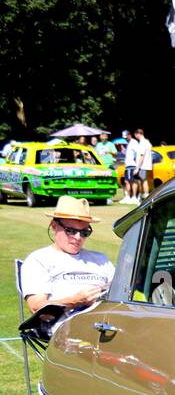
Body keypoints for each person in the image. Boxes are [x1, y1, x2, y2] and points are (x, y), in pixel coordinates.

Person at [20, 196, 114, 325]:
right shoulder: (38, 260)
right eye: (70, 231)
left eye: (84, 232)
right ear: (54, 226)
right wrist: (75, 300)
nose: (78, 238)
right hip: (66, 331)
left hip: (107, 325)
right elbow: (36, 307)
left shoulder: (101, 259)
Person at [122, 129, 141, 203]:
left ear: (129, 135)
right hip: (128, 165)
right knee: (127, 181)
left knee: (132, 181)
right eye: (124, 138)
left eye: (126, 137)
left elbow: (138, 154)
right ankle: (128, 197)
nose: (125, 139)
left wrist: (137, 167)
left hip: (132, 165)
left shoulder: (134, 142)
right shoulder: (129, 143)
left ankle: (133, 197)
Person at [134, 128, 154, 198]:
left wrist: (137, 168)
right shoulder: (148, 142)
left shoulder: (142, 143)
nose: (136, 137)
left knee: (143, 180)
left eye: (135, 135)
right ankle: (143, 195)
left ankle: (146, 195)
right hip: (147, 165)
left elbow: (142, 156)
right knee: (143, 180)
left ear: (138, 134)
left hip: (143, 165)